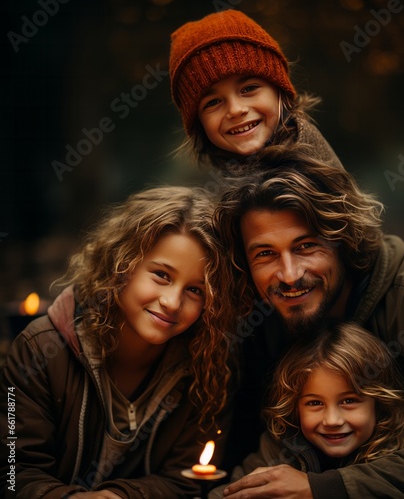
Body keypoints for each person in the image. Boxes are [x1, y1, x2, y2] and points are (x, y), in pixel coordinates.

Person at [213, 144, 404, 498]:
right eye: (266, 254)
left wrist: (325, 489)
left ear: (342, 239)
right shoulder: (253, 310)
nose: (289, 274)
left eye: (306, 246)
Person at [0, 186, 240, 498]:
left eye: (195, 290)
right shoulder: (39, 349)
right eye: (162, 275)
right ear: (121, 265)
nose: (172, 301)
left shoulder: (209, 366)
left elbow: (187, 477)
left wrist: (120, 496)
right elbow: (13, 472)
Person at [209, 321, 404, 498]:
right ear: (294, 406)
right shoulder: (283, 445)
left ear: (379, 402)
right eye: (315, 403)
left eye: (348, 401)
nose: (332, 420)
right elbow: (232, 491)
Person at [168, 9, 344, 172]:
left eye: (248, 89)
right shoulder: (232, 179)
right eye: (213, 102)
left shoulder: (294, 188)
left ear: (279, 90)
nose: (235, 110)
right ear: (198, 123)